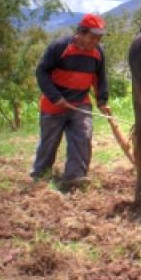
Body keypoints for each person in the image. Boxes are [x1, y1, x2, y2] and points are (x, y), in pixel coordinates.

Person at [30, 13, 112, 191]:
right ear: (81, 32)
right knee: (49, 142)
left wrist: (102, 100)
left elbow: (100, 78)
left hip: (80, 103)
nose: (95, 41)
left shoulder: (98, 53)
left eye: (99, 38)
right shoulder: (59, 47)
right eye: (92, 37)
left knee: (83, 137)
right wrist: (56, 97)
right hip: (54, 105)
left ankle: (74, 177)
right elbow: (41, 72)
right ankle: (40, 175)